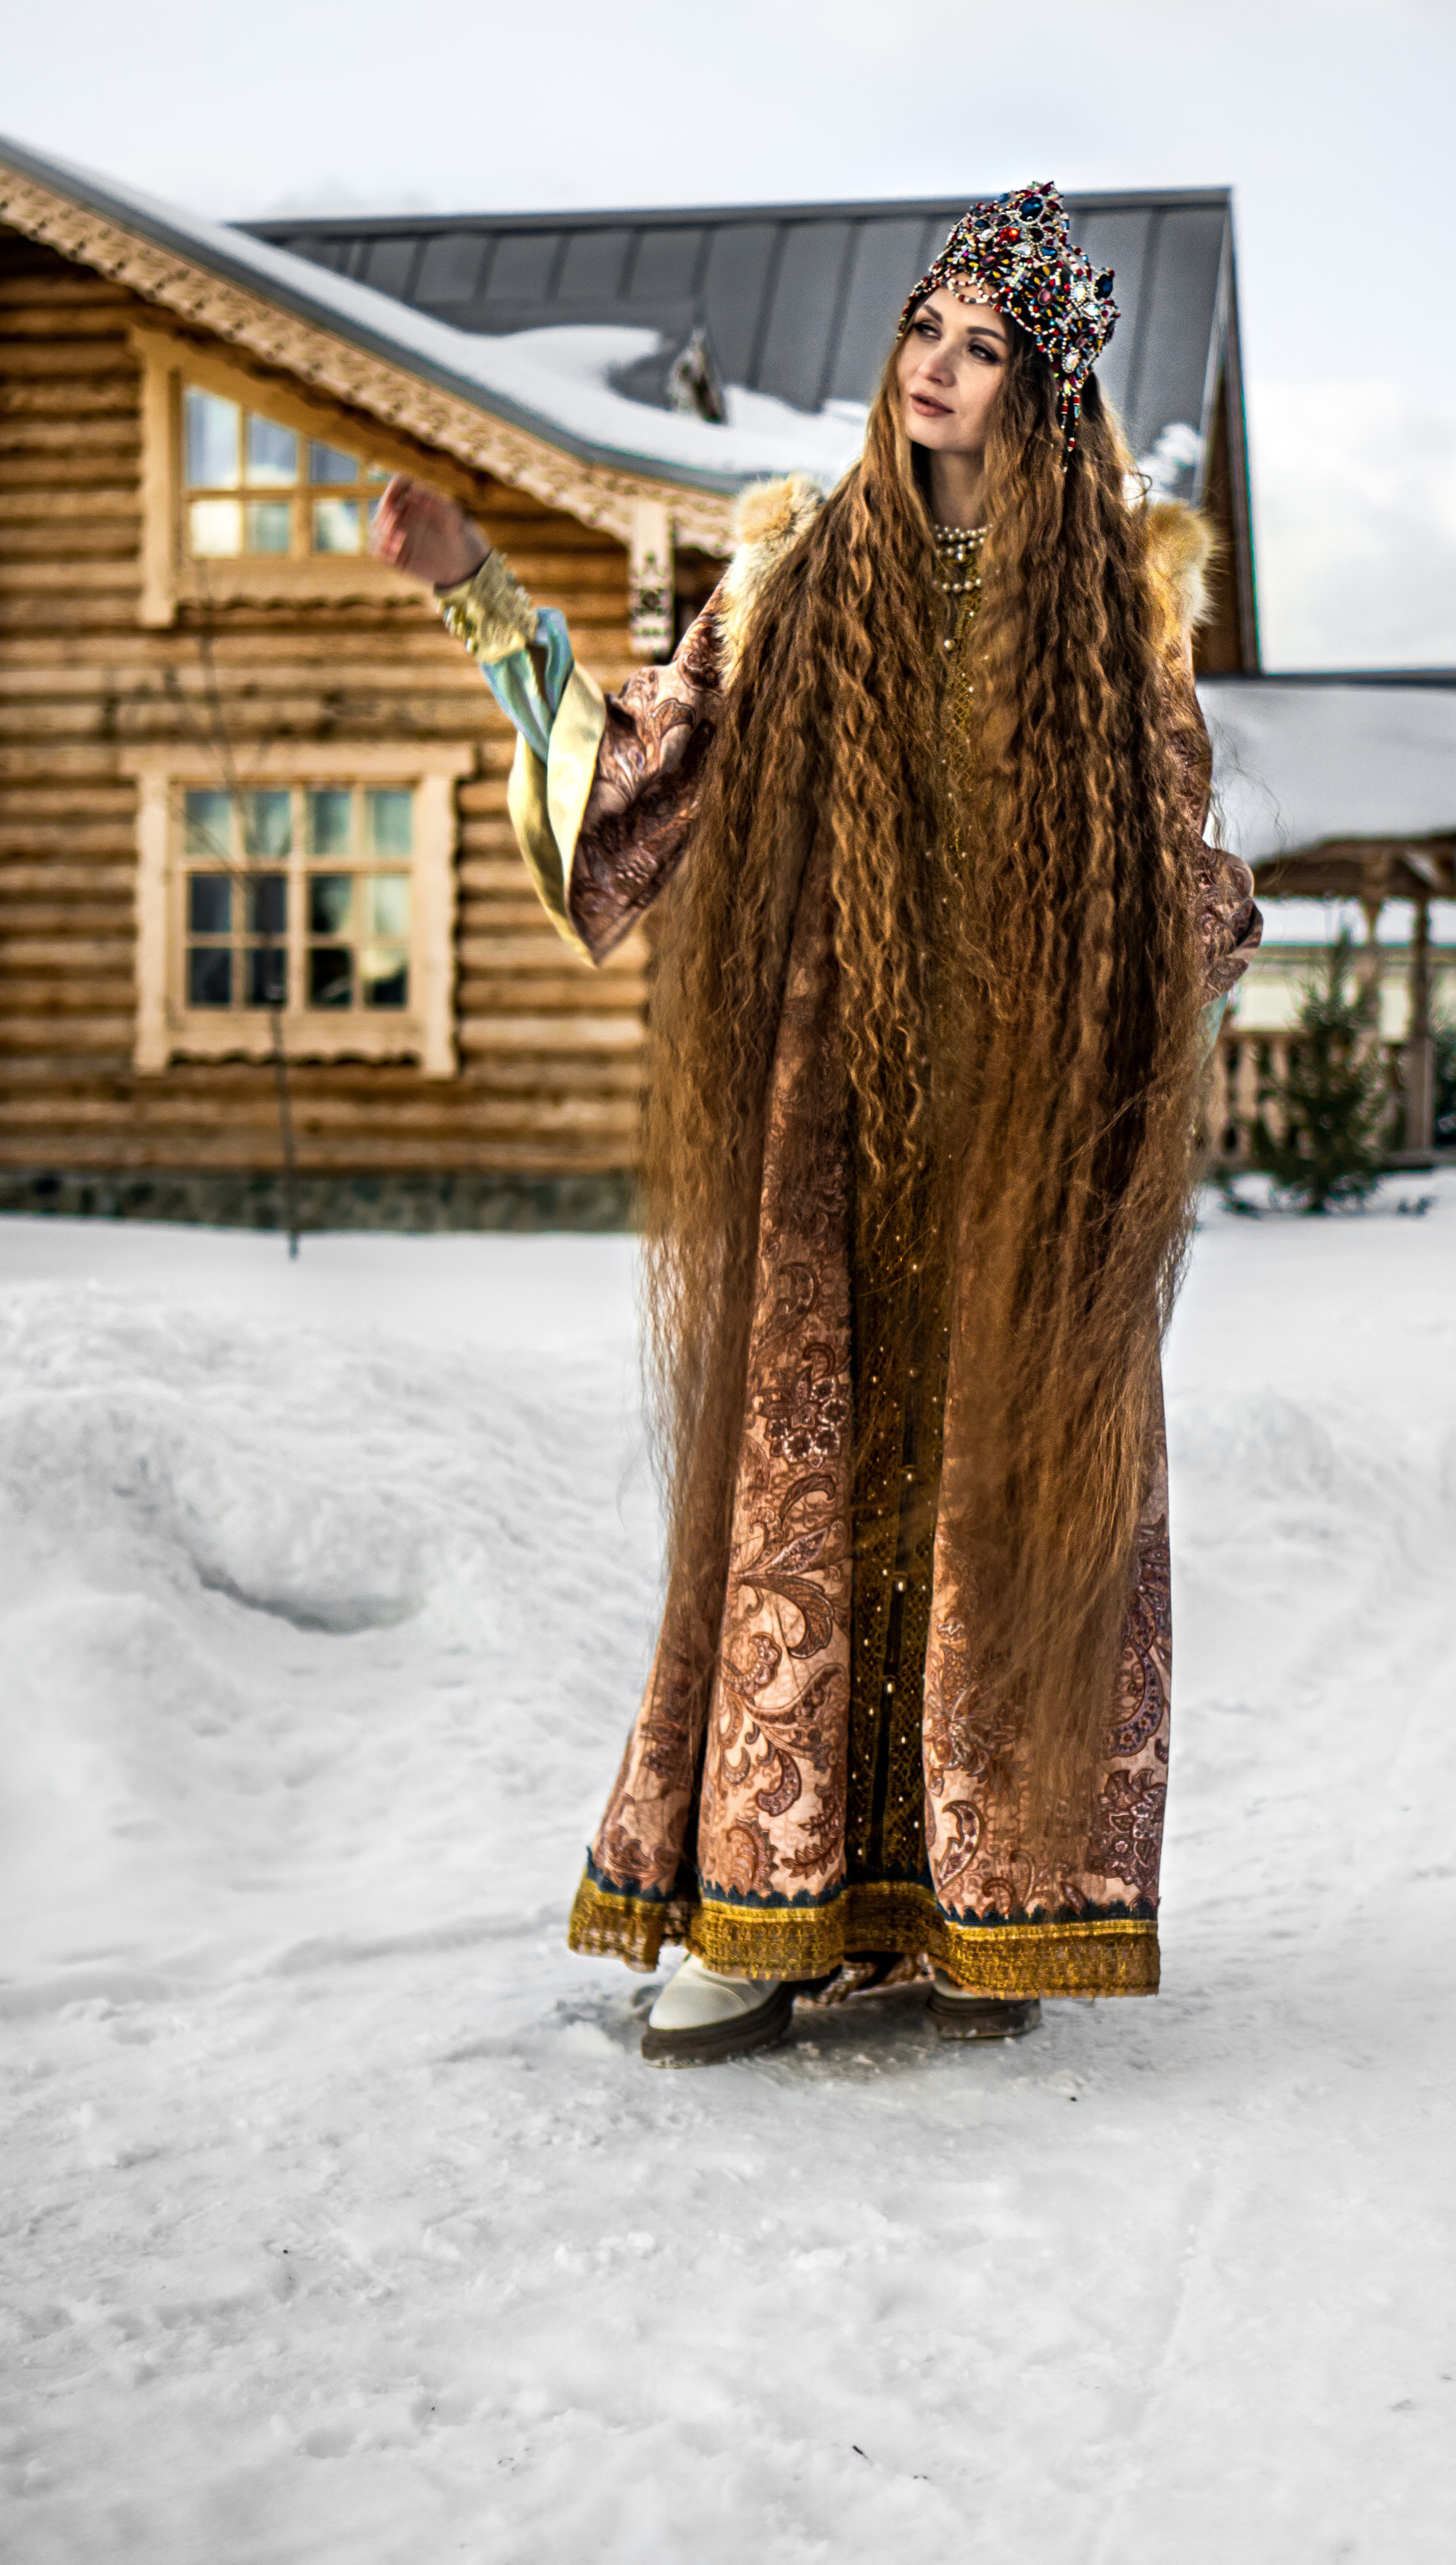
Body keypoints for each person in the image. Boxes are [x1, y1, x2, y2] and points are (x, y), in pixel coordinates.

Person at [373, 181, 1261, 2065]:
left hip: (1019, 1150)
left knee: (992, 1514)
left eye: (984, 348)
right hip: (826, 1140)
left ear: (1042, 393)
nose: (938, 369)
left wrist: (1174, 951)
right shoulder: (786, 581)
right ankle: (764, 1916)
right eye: (927, 331)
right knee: (798, 1513)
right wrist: (473, 587)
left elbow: (1179, 882)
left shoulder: (1115, 623)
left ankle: (962, 1902)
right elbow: (633, 780)